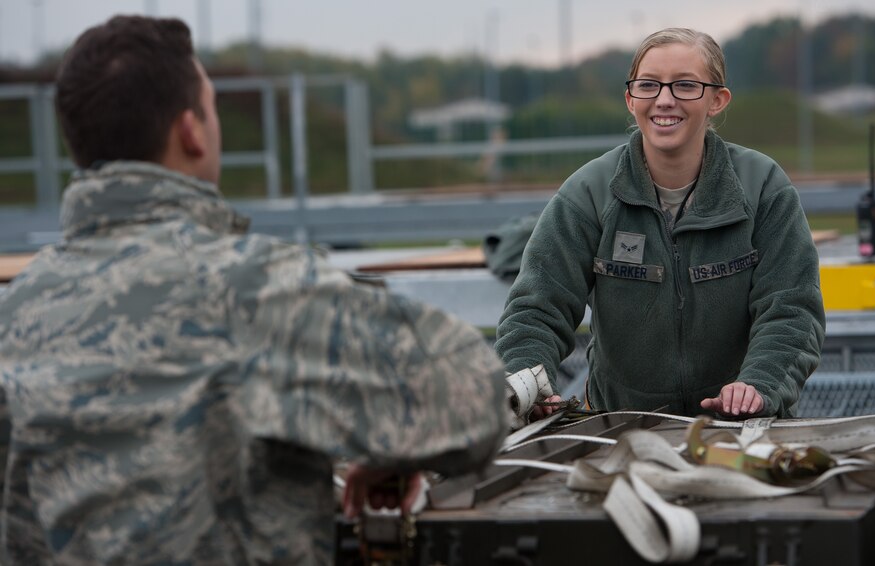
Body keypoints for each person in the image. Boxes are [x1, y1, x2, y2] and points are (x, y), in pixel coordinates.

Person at [0, 15, 507, 565]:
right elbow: (472, 396)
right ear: (191, 130)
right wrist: (395, 449)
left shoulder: (15, 314)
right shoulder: (255, 289)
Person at [496, 28, 825, 422]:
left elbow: (791, 308)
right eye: (649, 85)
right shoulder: (588, 193)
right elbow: (537, 308)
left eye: (686, 85)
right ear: (630, 98)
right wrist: (529, 383)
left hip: (744, 430)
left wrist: (759, 385)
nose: (665, 100)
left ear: (717, 100)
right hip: (620, 432)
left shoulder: (763, 188)